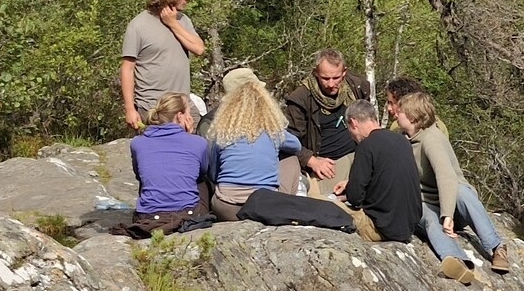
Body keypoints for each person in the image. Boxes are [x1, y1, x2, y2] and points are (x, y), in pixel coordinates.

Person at [387, 87, 514, 274]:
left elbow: (446, 177)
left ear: (413, 117)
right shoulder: (400, 138)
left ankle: (496, 248)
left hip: (453, 204)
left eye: (401, 112)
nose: (396, 114)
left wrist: (447, 215)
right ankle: (456, 261)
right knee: (428, 216)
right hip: (426, 202)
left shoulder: (432, 139)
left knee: (462, 193)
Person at [338, 101, 467, 280]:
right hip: (407, 227)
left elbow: (355, 196)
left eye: (349, 130)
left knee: (329, 204)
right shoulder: (401, 141)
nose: (351, 135)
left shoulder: (366, 146)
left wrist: (346, 195)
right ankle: (457, 258)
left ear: (353, 123)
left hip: (381, 228)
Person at [203, 68, 304, 222]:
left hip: (226, 206)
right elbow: (296, 146)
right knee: (290, 158)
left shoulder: (221, 131)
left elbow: (213, 173)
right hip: (264, 206)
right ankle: (287, 200)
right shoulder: (272, 130)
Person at [120, 0, 207, 132]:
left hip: (183, 106)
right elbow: (127, 69)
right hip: (153, 107)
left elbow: (199, 49)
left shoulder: (183, 20)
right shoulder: (138, 26)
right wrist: (130, 109)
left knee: (199, 146)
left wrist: (173, 24)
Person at [282, 50, 367, 199]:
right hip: (323, 164)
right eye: (325, 78)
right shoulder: (300, 99)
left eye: (336, 77)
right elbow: (288, 140)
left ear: (344, 72)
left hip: (358, 156)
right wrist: (310, 160)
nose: (331, 84)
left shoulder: (358, 87)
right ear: (315, 72)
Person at [125, 93, 213, 235]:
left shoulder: (138, 142)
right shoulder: (198, 143)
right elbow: (202, 172)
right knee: (202, 180)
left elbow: (138, 175)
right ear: (180, 116)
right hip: (189, 214)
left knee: (147, 176)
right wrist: (189, 136)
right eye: (188, 114)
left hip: (148, 217)